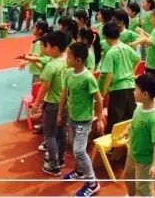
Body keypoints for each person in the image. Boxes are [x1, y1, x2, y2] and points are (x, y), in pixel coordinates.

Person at [58, 41, 104, 198]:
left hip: (84, 121)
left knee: (79, 150)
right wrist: (60, 113)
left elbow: (98, 98)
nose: (66, 58)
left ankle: (92, 182)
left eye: (69, 56)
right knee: (73, 144)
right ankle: (79, 171)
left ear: (78, 60)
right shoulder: (69, 74)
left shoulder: (88, 78)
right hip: (72, 117)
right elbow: (64, 94)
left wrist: (99, 118)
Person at [30, 30, 69, 177]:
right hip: (65, 103)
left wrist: (36, 105)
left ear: (55, 49)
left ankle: (53, 165)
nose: (45, 49)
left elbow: (44, 87)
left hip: (53, 104)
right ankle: (61, 159)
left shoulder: (51, 67)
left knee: (50, 135)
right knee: (62, 132)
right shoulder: (67, 62)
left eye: (46, 46)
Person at [122, 73, 155, 198]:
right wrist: (128, 129)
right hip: (133, 153)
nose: (133, 92)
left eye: (136, 90)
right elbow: (135, 121)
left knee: (144, 189)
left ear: (145, 94)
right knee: (128, 177)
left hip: (145, 161)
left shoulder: (153, 119)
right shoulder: (139, 107)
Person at [99, 21, 141, 131]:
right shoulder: (126, 47)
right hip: (130, 86)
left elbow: (109, 75)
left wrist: (104, 92)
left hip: (117, 89)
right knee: (130, 119)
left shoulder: (110, 53)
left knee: (114, 122)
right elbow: (138, 59)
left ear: (106, 37)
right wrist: (132, 72)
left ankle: (112, 142)